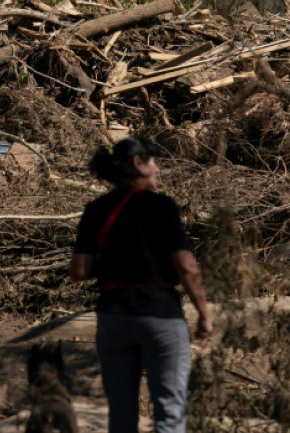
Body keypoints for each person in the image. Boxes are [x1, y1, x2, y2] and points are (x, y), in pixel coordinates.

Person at [69, 137, 212, 433]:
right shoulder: (161, 206)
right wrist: (204, 313)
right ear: (138, 163)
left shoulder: (95, 209)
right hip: (159, 313)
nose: (158, 167)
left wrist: (112, 263)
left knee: (121, 416)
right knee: (169, 413)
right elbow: (186, 265)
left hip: (112, 316)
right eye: (153, 160)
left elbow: (79, 270)